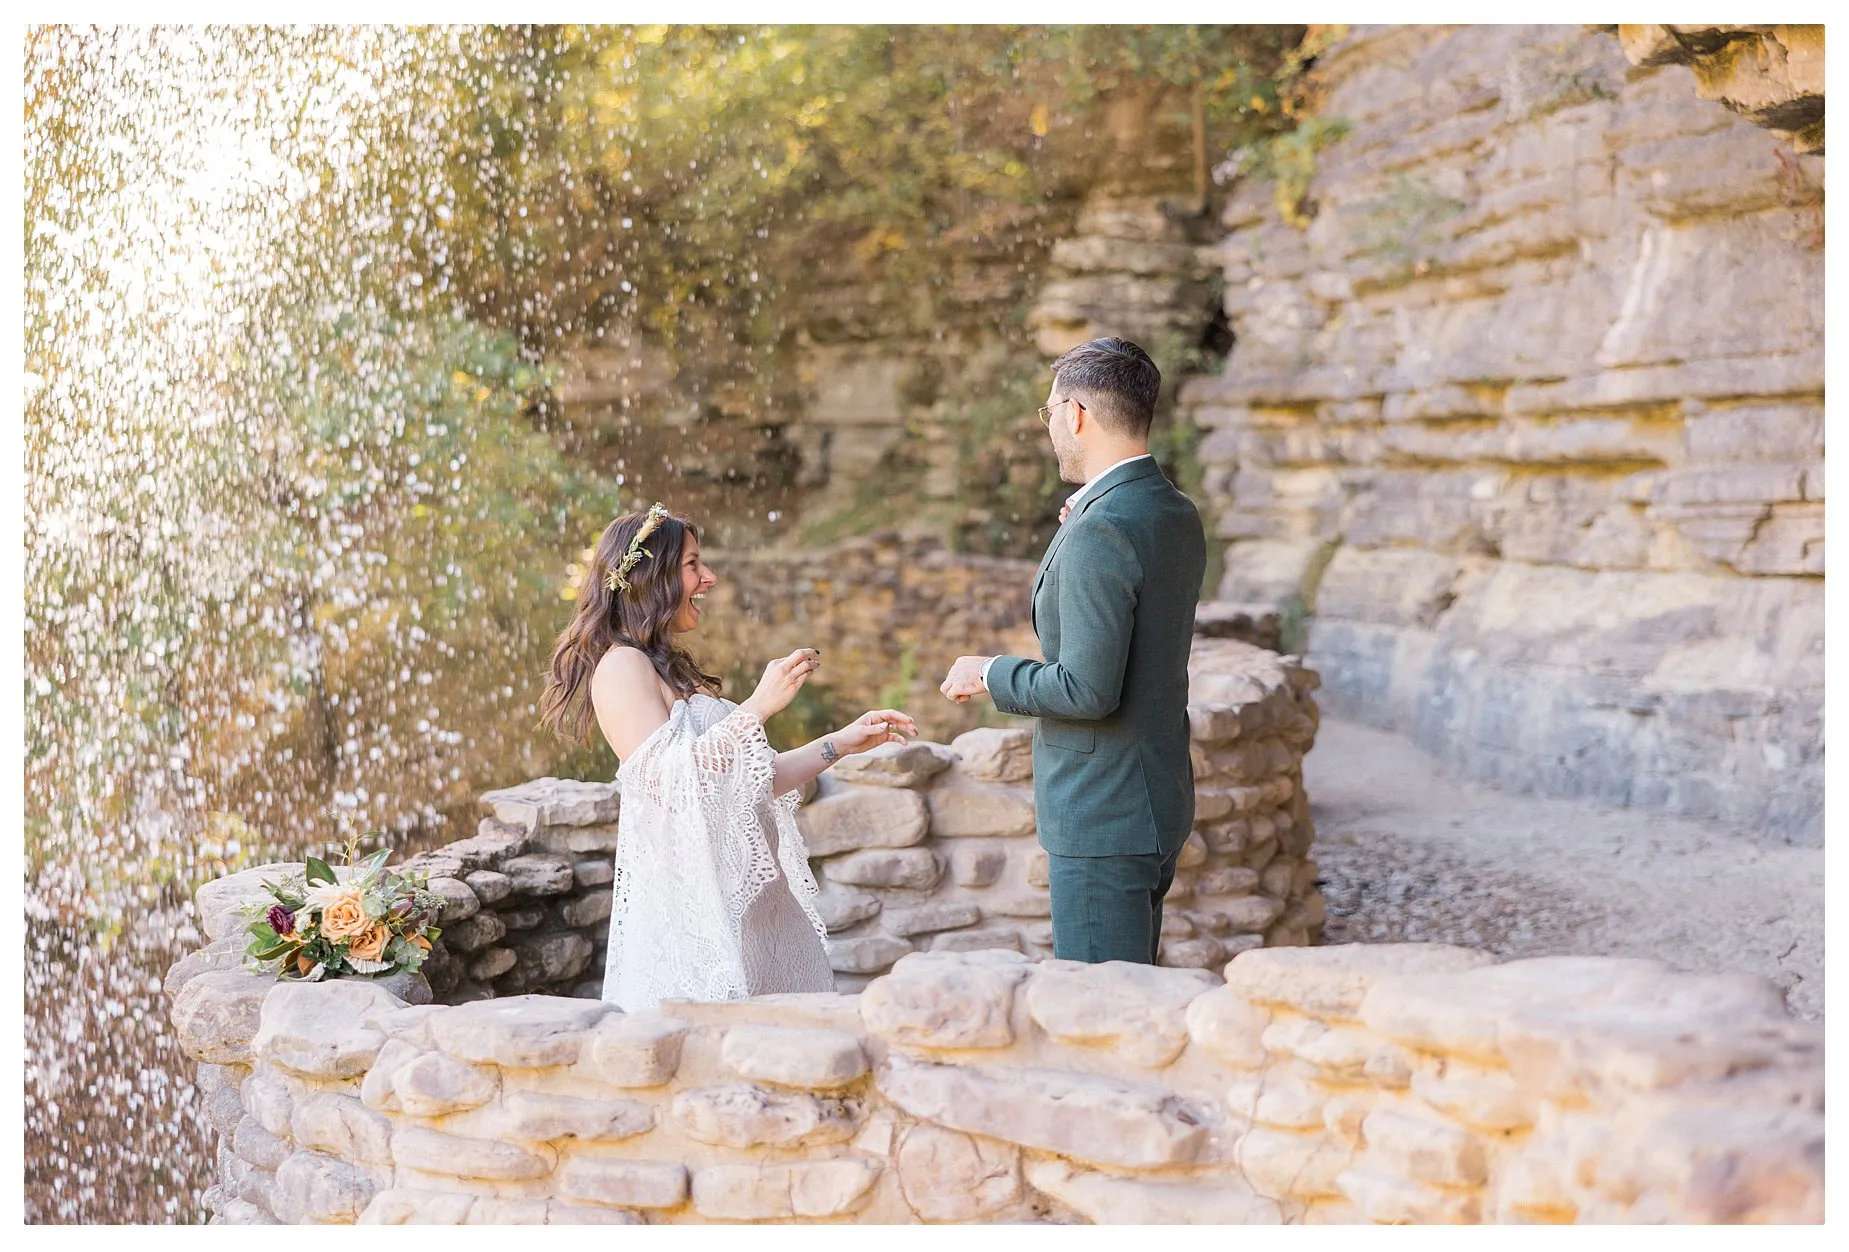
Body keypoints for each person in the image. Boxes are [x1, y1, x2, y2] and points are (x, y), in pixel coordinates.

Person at [540, 503, 916, 1012]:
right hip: (699, 910)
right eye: (693, 564)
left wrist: (839, 744)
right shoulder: (620, 667)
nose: (710, 577)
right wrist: (757, 707)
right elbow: (668, 784)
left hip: (752, 901)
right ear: (654, 577)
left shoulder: (670, 668)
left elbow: (752, 779)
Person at [940, 337, 1206, 965]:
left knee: (1100, 1012)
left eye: (1050, 412)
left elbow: (1087, 690)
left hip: (1103, 808)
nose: (1051, 427)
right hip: (1157, 795)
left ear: (1077, 414)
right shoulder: (1170, 511)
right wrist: (1083, 524)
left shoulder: (1104, 528)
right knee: (1134, 994)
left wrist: (991, 672)